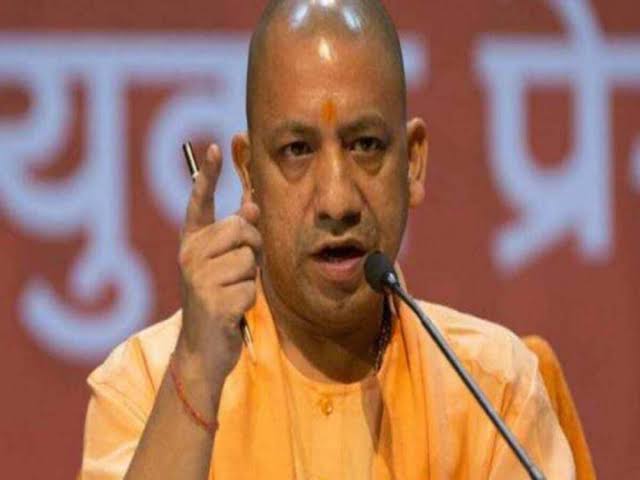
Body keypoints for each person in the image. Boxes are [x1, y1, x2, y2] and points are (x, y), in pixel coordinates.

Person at [80, 0, 575, 478]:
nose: (337, 201)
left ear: (412, 162)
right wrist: (195, 374)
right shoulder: (144, 384)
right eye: (297, 150)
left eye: (366, 145)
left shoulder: (494, 391)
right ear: (249, 176)